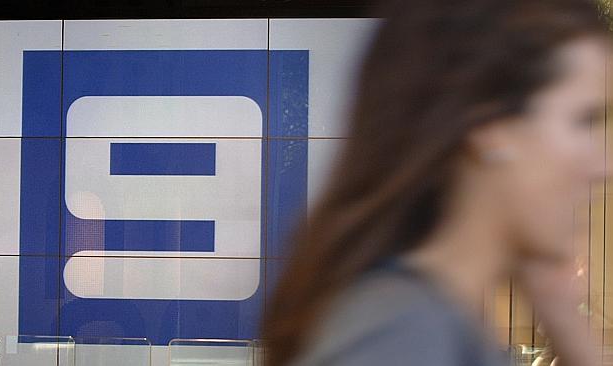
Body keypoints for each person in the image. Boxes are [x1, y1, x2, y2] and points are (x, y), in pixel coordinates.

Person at [261, 1, 611, 365]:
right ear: (491, 127)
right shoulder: (407, 330)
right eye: (583, 120)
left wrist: (565, 319)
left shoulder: (434, 323)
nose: (604, 166)